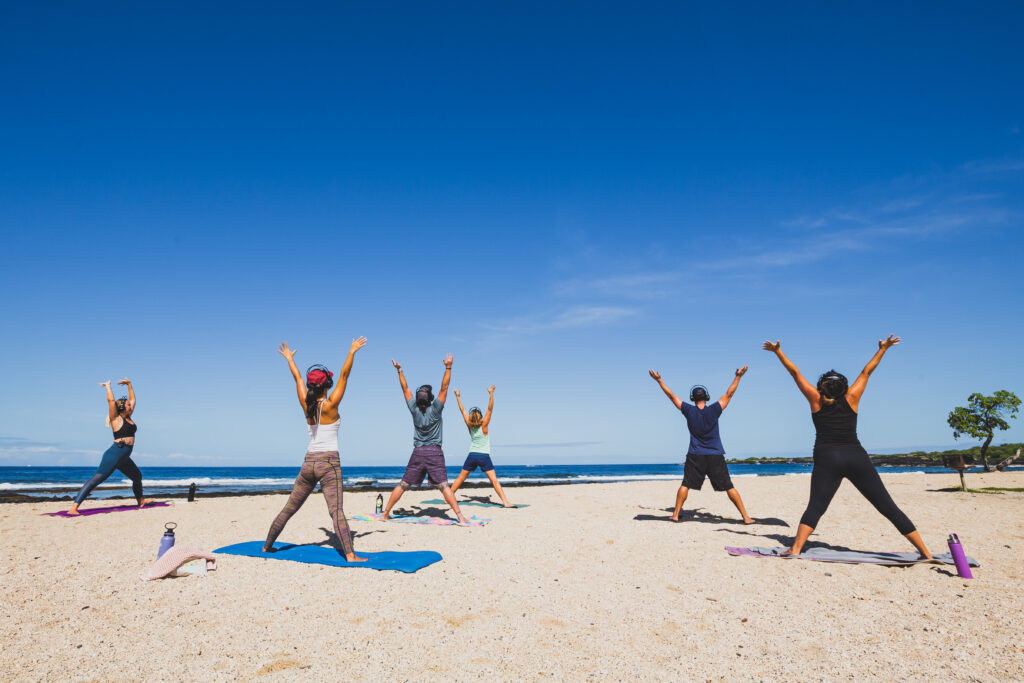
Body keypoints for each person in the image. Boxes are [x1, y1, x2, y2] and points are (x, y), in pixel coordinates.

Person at [762, 335, 932, 558]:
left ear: (822, 387)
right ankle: (926, 553)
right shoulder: (852, 397)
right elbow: (867, 372)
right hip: (855, 457)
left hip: (827, 458)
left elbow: (795, 373)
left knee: (816, 507)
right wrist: (883, 349)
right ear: (843, 386)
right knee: (887, 507)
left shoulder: (816, 399)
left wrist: (778, 352)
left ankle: (795, 549)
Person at [263, 339, 367, 562]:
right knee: (336, 511)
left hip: (308, 463)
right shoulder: (330, 406)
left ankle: (266, 546)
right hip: (329, 464)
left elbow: (298, 378)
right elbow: (344, 376)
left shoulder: (305, 403)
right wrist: (351, 352)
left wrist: (290, 359)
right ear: (326, 385)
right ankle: (350, 554)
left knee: (289, 508)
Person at [649, 366, 754, 523]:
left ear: (693, 398)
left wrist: (659, 381)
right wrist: (738, 376)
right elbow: (729, 394)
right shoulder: (714, 409)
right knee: (729, 486)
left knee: (686, 484)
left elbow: (671, 396)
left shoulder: (689, 410)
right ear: (707, 397)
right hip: (715, 455)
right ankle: (746, 517)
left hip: (695, 454)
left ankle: (676, 515)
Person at [381, 355, 469, 524]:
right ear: (430, 399)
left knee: (404, 484)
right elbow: (444, 388)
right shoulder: (435, 409)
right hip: (434, 452)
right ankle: (460, 517)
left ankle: (385, 513)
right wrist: (448, 367)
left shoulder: (413, 409)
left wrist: (399, 370)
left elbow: (405, 388)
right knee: (444, 486)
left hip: (418, 452)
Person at [68, 378, 153, 515]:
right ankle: (74, 508)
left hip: (124, 456)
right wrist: (108, 387)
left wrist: (130, 385)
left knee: (137, 476)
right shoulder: (116, 418)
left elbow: (133, 400)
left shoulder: (128, 417)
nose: (130, 405)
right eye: (127, 404)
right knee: (97, 479)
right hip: (115, 454)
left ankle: (141, 501)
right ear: (121, 408)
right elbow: (111, 402)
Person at [450, 385, 514, 507]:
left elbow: (462, 410)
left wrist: (458, 397)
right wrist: (491, 393)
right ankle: (505, 502)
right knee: (494, 481)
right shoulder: (484, 425)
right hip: (484, 456)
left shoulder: (469, 425)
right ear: (480, 416)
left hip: (472, 455)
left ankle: (448, 498)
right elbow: (490, 409)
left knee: (460, 478)